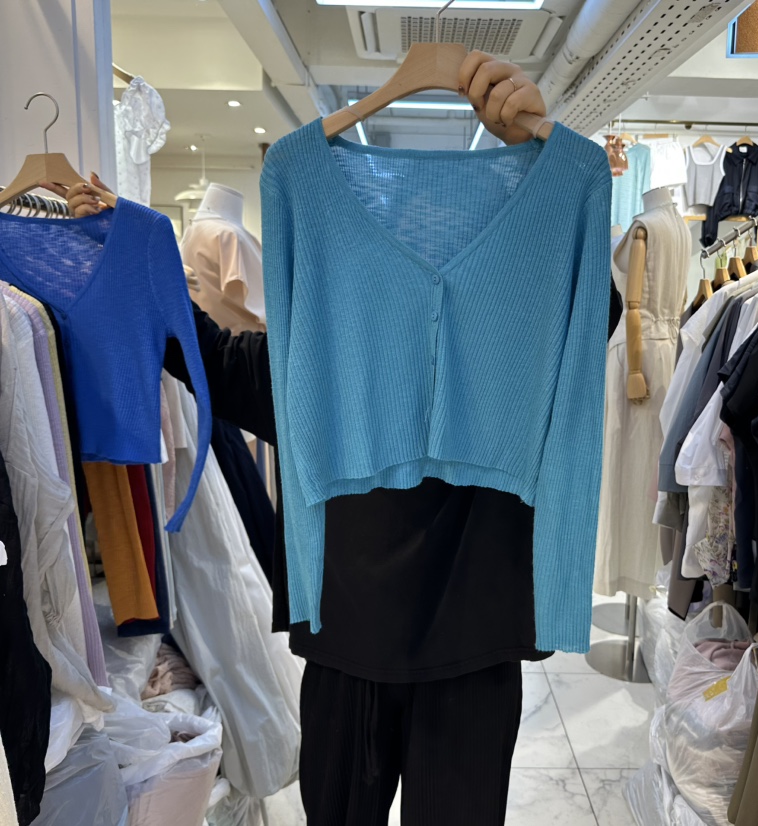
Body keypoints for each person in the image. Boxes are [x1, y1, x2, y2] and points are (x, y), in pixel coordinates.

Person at [55, 52, 620, 825]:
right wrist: (131, 252)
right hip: (362, 631)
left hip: (460, 633)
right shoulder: (316, 283)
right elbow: (218, 362)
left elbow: (588, 317)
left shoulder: (535, 276)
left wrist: (537, 161)